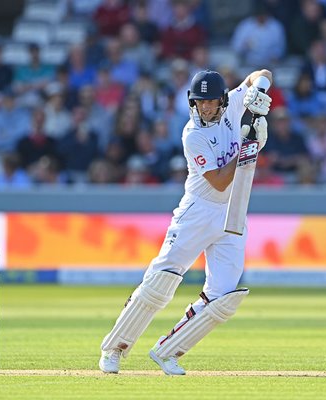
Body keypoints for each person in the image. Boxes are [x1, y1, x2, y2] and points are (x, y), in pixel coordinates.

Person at [99, 68, 272, 375]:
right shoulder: (193, 135)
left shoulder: (234, 104)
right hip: (198, 211)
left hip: (232, 211)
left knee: (224, 295)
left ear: (221, 99)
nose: (205, 107)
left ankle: (168, 352)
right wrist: (251, 147)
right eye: (199, 101)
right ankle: (114, 348)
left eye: (210, 101)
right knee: (160, 282)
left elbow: (262, 72)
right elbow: (219, 182)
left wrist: (260, 89)